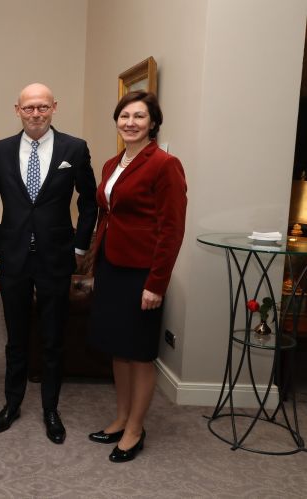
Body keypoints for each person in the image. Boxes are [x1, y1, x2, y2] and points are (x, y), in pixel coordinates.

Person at [0, 83, 97, 443]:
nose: (35, 114)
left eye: (42, 107)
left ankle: (51, 409)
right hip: (13, 255)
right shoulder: (0, 150)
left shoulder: (74, 148)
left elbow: (89, 201)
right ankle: (12, 403)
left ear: (54, 107)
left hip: (56, 257)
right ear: (17, 110)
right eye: (28, 108)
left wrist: (80, 246)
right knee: (15, 337)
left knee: (53, 337)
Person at [88, 91, 186, 462]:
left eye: (139, 116)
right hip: (112, 267)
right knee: (119, 348)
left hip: (142, 273)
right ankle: (121, 418)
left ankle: (135, 429)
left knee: (140, 353)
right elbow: (107, 214)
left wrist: (156, 284)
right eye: (124, 115)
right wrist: (95, 264)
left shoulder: (164, 164)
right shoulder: (112, 164)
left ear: (153, 123)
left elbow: (171, 229)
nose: (130, 122)